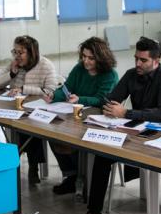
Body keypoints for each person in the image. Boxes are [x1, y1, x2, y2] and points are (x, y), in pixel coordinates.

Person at [69, 37, 161, 214]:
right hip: (135, 128)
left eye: (143, 60)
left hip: (159, 134)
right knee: (102, 154)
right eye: (136, 58)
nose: (138, 63)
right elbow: (111, 100)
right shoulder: (131, 74)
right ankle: (94, 213)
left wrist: (126, 112)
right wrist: (112, 107)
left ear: (156, 60)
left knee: (116, 152)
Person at [44, 37, 119, 195]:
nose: (86, 61)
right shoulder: (79, 68)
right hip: (75, 113)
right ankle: (72, 175)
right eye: (84, 56)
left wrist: (80, 99)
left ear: (101, 58)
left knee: (74, 136)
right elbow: (66, 88)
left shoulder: (110, 75)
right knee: (52, 133)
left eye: (91, 58)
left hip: (98, 117)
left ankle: (84, 176)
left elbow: (102, 100)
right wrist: (54, 96)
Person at [0, 35, 58, 184]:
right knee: (18, 127)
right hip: (16, 108)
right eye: (14, 52)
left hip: (38, 110)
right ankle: (18, 165)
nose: (16, 56)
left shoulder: (46, 65)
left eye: (20, 52)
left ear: (32, 53)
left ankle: (31, 166)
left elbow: (51, 91)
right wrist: (11, 73)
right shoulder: (15, 64)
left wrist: (23, 89)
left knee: (32, 128)